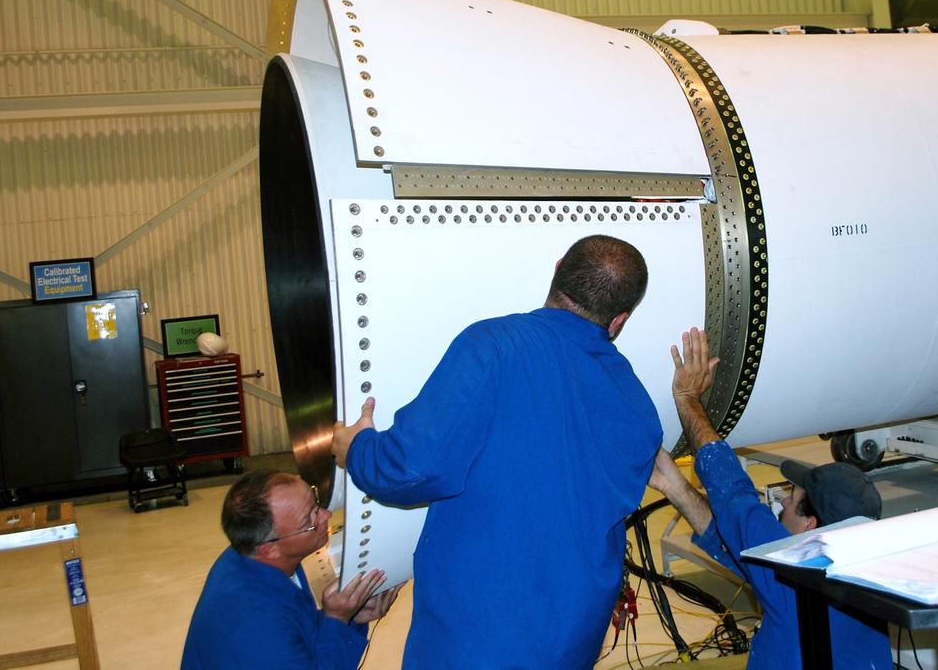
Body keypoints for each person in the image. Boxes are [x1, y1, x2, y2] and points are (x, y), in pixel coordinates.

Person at [331, 234, 663, 669]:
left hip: (479, 634)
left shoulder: (494, 345)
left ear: (558, 265)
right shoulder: (638, 404)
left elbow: (409, 469)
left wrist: (356, 447)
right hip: (574, 633)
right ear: (619, 320)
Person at [651, 327, 892, 669]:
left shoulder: (798, 584)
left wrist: (688, 398)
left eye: (790, 499)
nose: (780, 504)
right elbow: (743, 551)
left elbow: (735, 496)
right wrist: (678, 489)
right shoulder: (864, 579)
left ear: (811, 526)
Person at [181, 469, 402, 669]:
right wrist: (337, 620)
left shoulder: (249, 557)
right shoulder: (256, 625)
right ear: (270, 550)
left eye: (315, 502)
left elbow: (300, 634)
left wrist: (352, 619)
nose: (326, 515)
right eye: (311, 519)